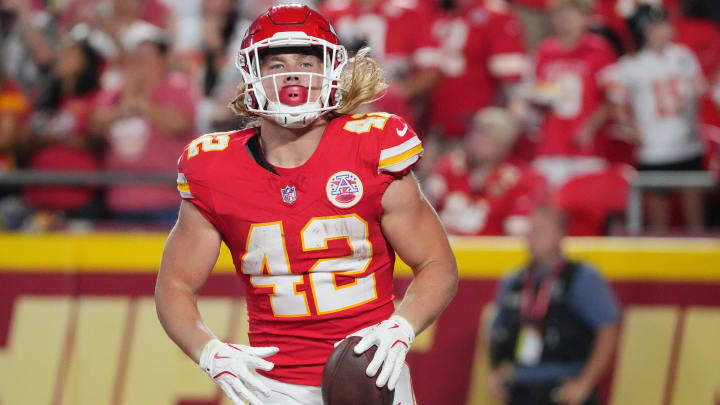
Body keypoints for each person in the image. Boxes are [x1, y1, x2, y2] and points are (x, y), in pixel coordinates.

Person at [154, 4, 458, 405]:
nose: (293, 74)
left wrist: (402, 326)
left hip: (370, 374)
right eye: (276, 63)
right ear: (252, 76)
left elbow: (438, 264)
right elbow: (175, 285)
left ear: (331, 70)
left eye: (305, 61)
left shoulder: (372, 147)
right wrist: (209, 350)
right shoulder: (214, 167)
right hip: (272, 387)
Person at [487, 204, 620, 405]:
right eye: (530, 230)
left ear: (561, 234)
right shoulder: (514, 280)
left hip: (563, 388)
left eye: (540, 231)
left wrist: (585, 382)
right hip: (520, 388)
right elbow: (494, 329)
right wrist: (494, 371)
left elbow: (609, 329)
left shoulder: (581, 277)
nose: (532, 238)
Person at [610, 4, 706, 233]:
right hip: (654, 149)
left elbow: (698, 95)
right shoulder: (631, 65)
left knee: (696, 217)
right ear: (643, 31)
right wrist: (629, 126)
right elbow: (612, 98)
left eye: (664, 24)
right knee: (658, 222)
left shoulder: (683, 55)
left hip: (688, 144)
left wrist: (694, 122)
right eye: (657, 26)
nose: (664, 30)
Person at [91, 22, 197, 225]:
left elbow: (180, 123)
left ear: (163, 59)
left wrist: (141, 105)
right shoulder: (117, 90)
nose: (139, 63)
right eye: (135, 58)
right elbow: (95, 124)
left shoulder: (178, 86)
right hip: (120, 200)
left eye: (146, 57)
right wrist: (124, 107)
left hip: (167, 201)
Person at [524, 0, 617, 188]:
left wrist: (590, 127)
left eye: (572, 13)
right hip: (550, 146)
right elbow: (530, 94)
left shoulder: (600, 49)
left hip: (587, 149)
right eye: (559, 14)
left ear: (586, 18)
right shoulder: (543, 51)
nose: (565, 19)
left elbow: (613, 99)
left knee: (585, 211)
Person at [426, 107, 547, 236]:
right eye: (474, 131)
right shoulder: (450, 166)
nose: (475, 139)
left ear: (503, 145)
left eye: (485, 135)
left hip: (490, 253)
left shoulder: (518, 179)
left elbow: (517, 232)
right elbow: (425, 210)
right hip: (446, 248)